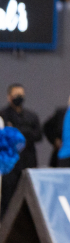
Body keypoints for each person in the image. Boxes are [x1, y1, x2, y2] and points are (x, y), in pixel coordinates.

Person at [0, 83, 42, 215]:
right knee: (8, 197)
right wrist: (25, 132)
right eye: (16, 95)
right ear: (9, 97)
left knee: (30, 196)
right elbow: (7, 137)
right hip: (10, 165)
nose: (19, 97)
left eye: (21, 95)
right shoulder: (3, 115)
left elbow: (38, 135)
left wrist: (18, 130)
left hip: (28, 161)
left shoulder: (31, 115)